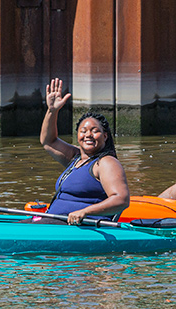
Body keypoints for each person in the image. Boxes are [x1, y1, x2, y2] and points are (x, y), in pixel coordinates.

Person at [40, 77, 130, 225]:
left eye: (95, 131)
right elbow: (48, 141)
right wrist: (52, 111)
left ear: (105, 136)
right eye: (83, 131)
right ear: (77, 135)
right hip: (54, 221)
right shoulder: (75, 158)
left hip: (83, 227)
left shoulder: (106, 163)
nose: (88, 135)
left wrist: (85, 212)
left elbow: (121, 199)